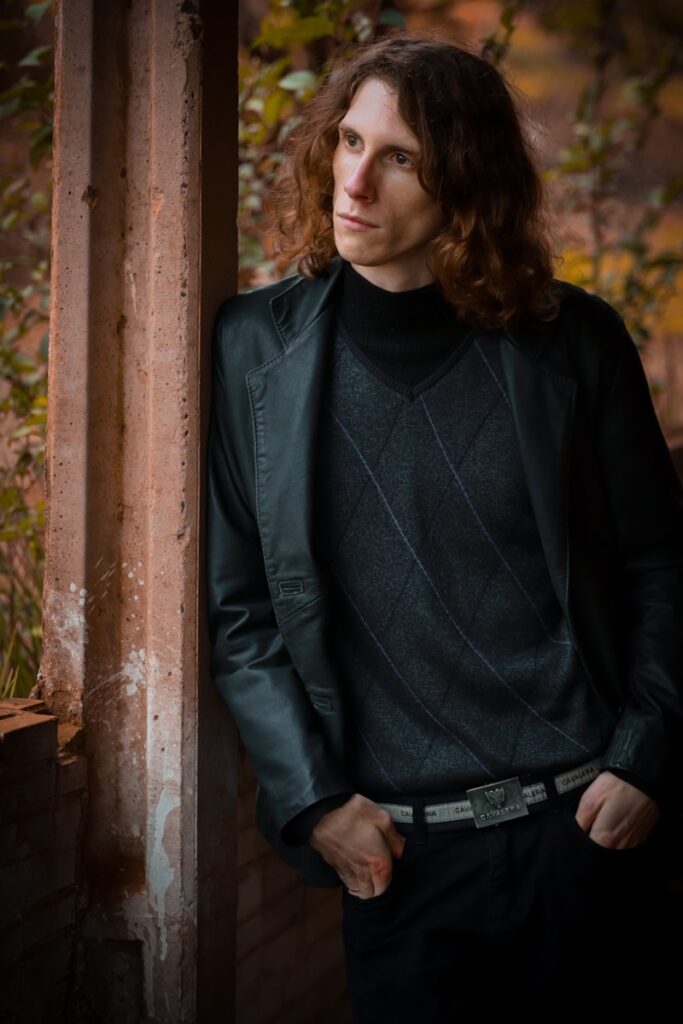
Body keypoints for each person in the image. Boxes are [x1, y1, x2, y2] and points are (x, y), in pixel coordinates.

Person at [206, 34, 683, 1019]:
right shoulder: (255, 349)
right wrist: (315, 804)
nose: (354, 181)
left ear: (462, 183)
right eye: (346, 140)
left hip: (581, 836)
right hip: (400, 861)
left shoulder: (571, 340)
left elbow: (658, 562)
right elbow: (240, 605)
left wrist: (647, 751)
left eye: (399, 157)